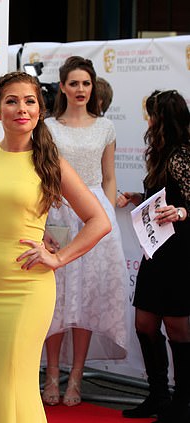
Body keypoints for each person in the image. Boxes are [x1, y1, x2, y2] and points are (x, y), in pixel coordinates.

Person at [0, 72, 111, 423]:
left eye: (29, 101)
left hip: (27, 286)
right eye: (11, 101)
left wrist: (58, 258)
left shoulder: (50, 162)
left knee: (14, 379)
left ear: (40, 109)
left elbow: (99, 220)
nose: (21, 109)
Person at [41, 56, 128, 407]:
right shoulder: (47, 127)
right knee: (56, 299)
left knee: (87, 300)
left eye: (86, 84)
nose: (80, 89)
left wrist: (104, 218)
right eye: (74, 83)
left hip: (93, 219)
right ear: (62, 86)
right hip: (57, 213)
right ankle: (50, 376)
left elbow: (108, 178)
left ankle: (75, 378)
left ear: (93, 88)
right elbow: (44, 174)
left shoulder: (105, 128)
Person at [118, 89, 190, 423]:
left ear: (161, 119)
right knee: (145, 323)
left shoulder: (181, 155)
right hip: (155, 249)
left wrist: (182, 212)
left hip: (179, 254)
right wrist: (139, 197)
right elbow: (162, 195)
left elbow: (185, 203)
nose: (147, 121)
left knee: (178, 328)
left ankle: (182, 401)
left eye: (151, 114)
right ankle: (158, 395)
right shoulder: (160, 154)